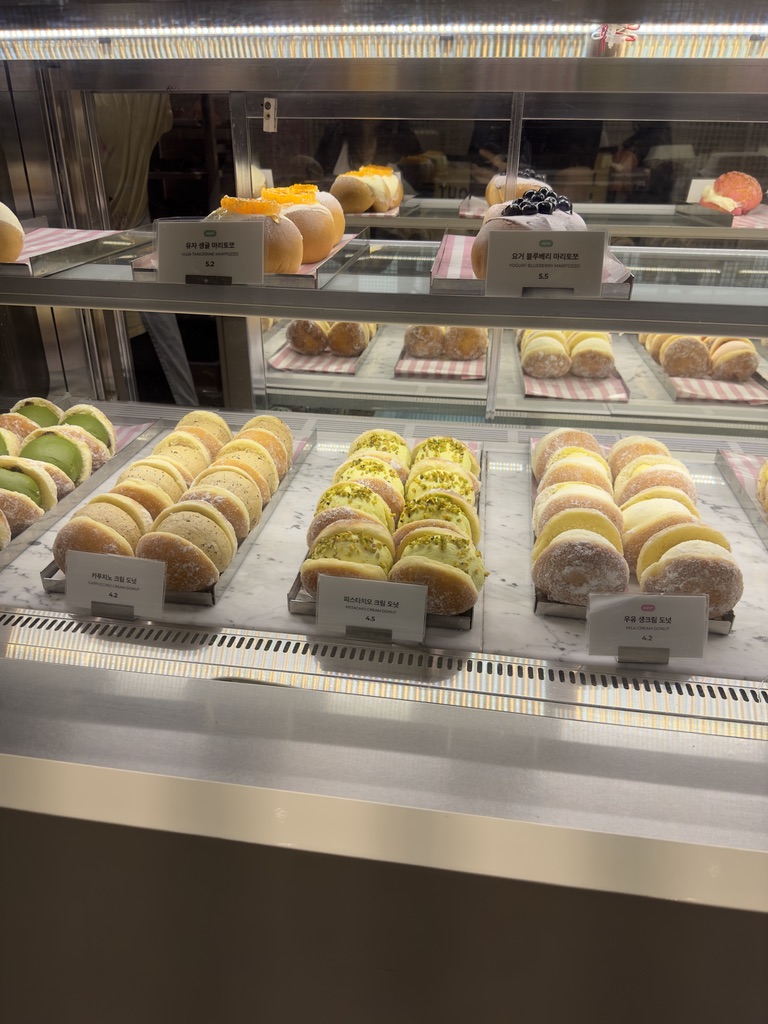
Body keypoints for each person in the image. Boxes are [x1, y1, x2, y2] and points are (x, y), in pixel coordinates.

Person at [94, 93, 199, 406]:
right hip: (133, 289)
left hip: (116, 300)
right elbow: (184, 100)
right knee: (164, 415)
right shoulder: (135, 96)